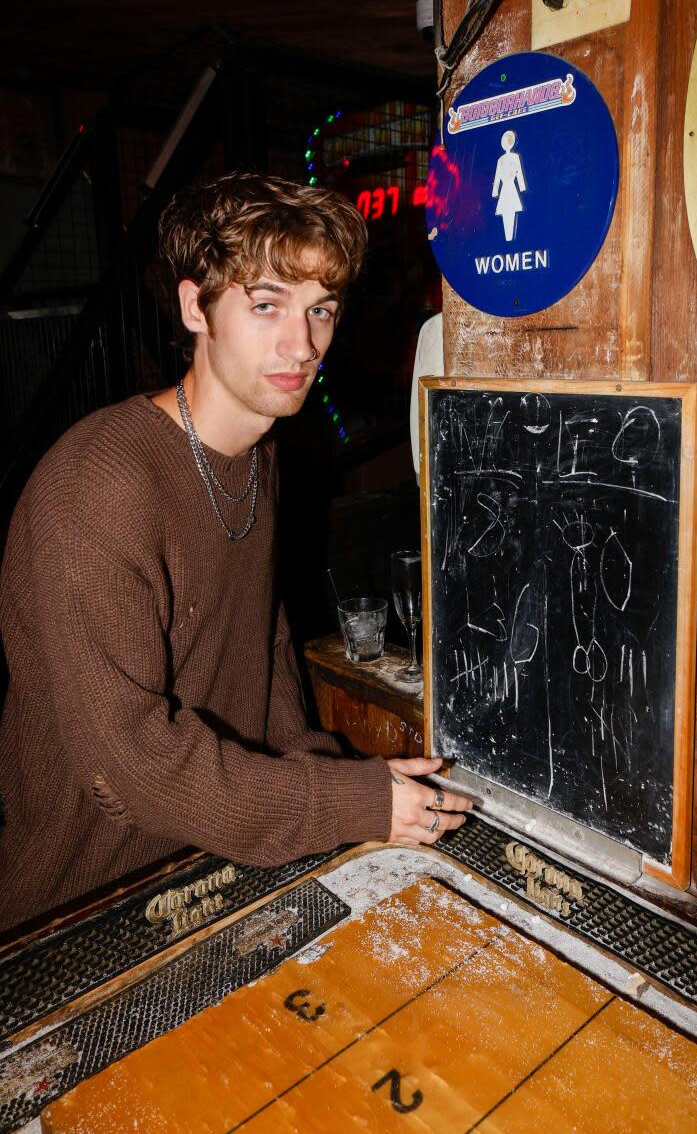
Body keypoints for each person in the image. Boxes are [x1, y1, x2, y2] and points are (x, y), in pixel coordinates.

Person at [0, 171, 470, 933]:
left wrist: (326, 773)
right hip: (83, 906)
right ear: (195, 307)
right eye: (266, 305)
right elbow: (131, 764)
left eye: (321, 308)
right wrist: (347, 801)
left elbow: (262, 643)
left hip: (216, 860)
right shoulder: (98, 485)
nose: (303, 343)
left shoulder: (256, 453)